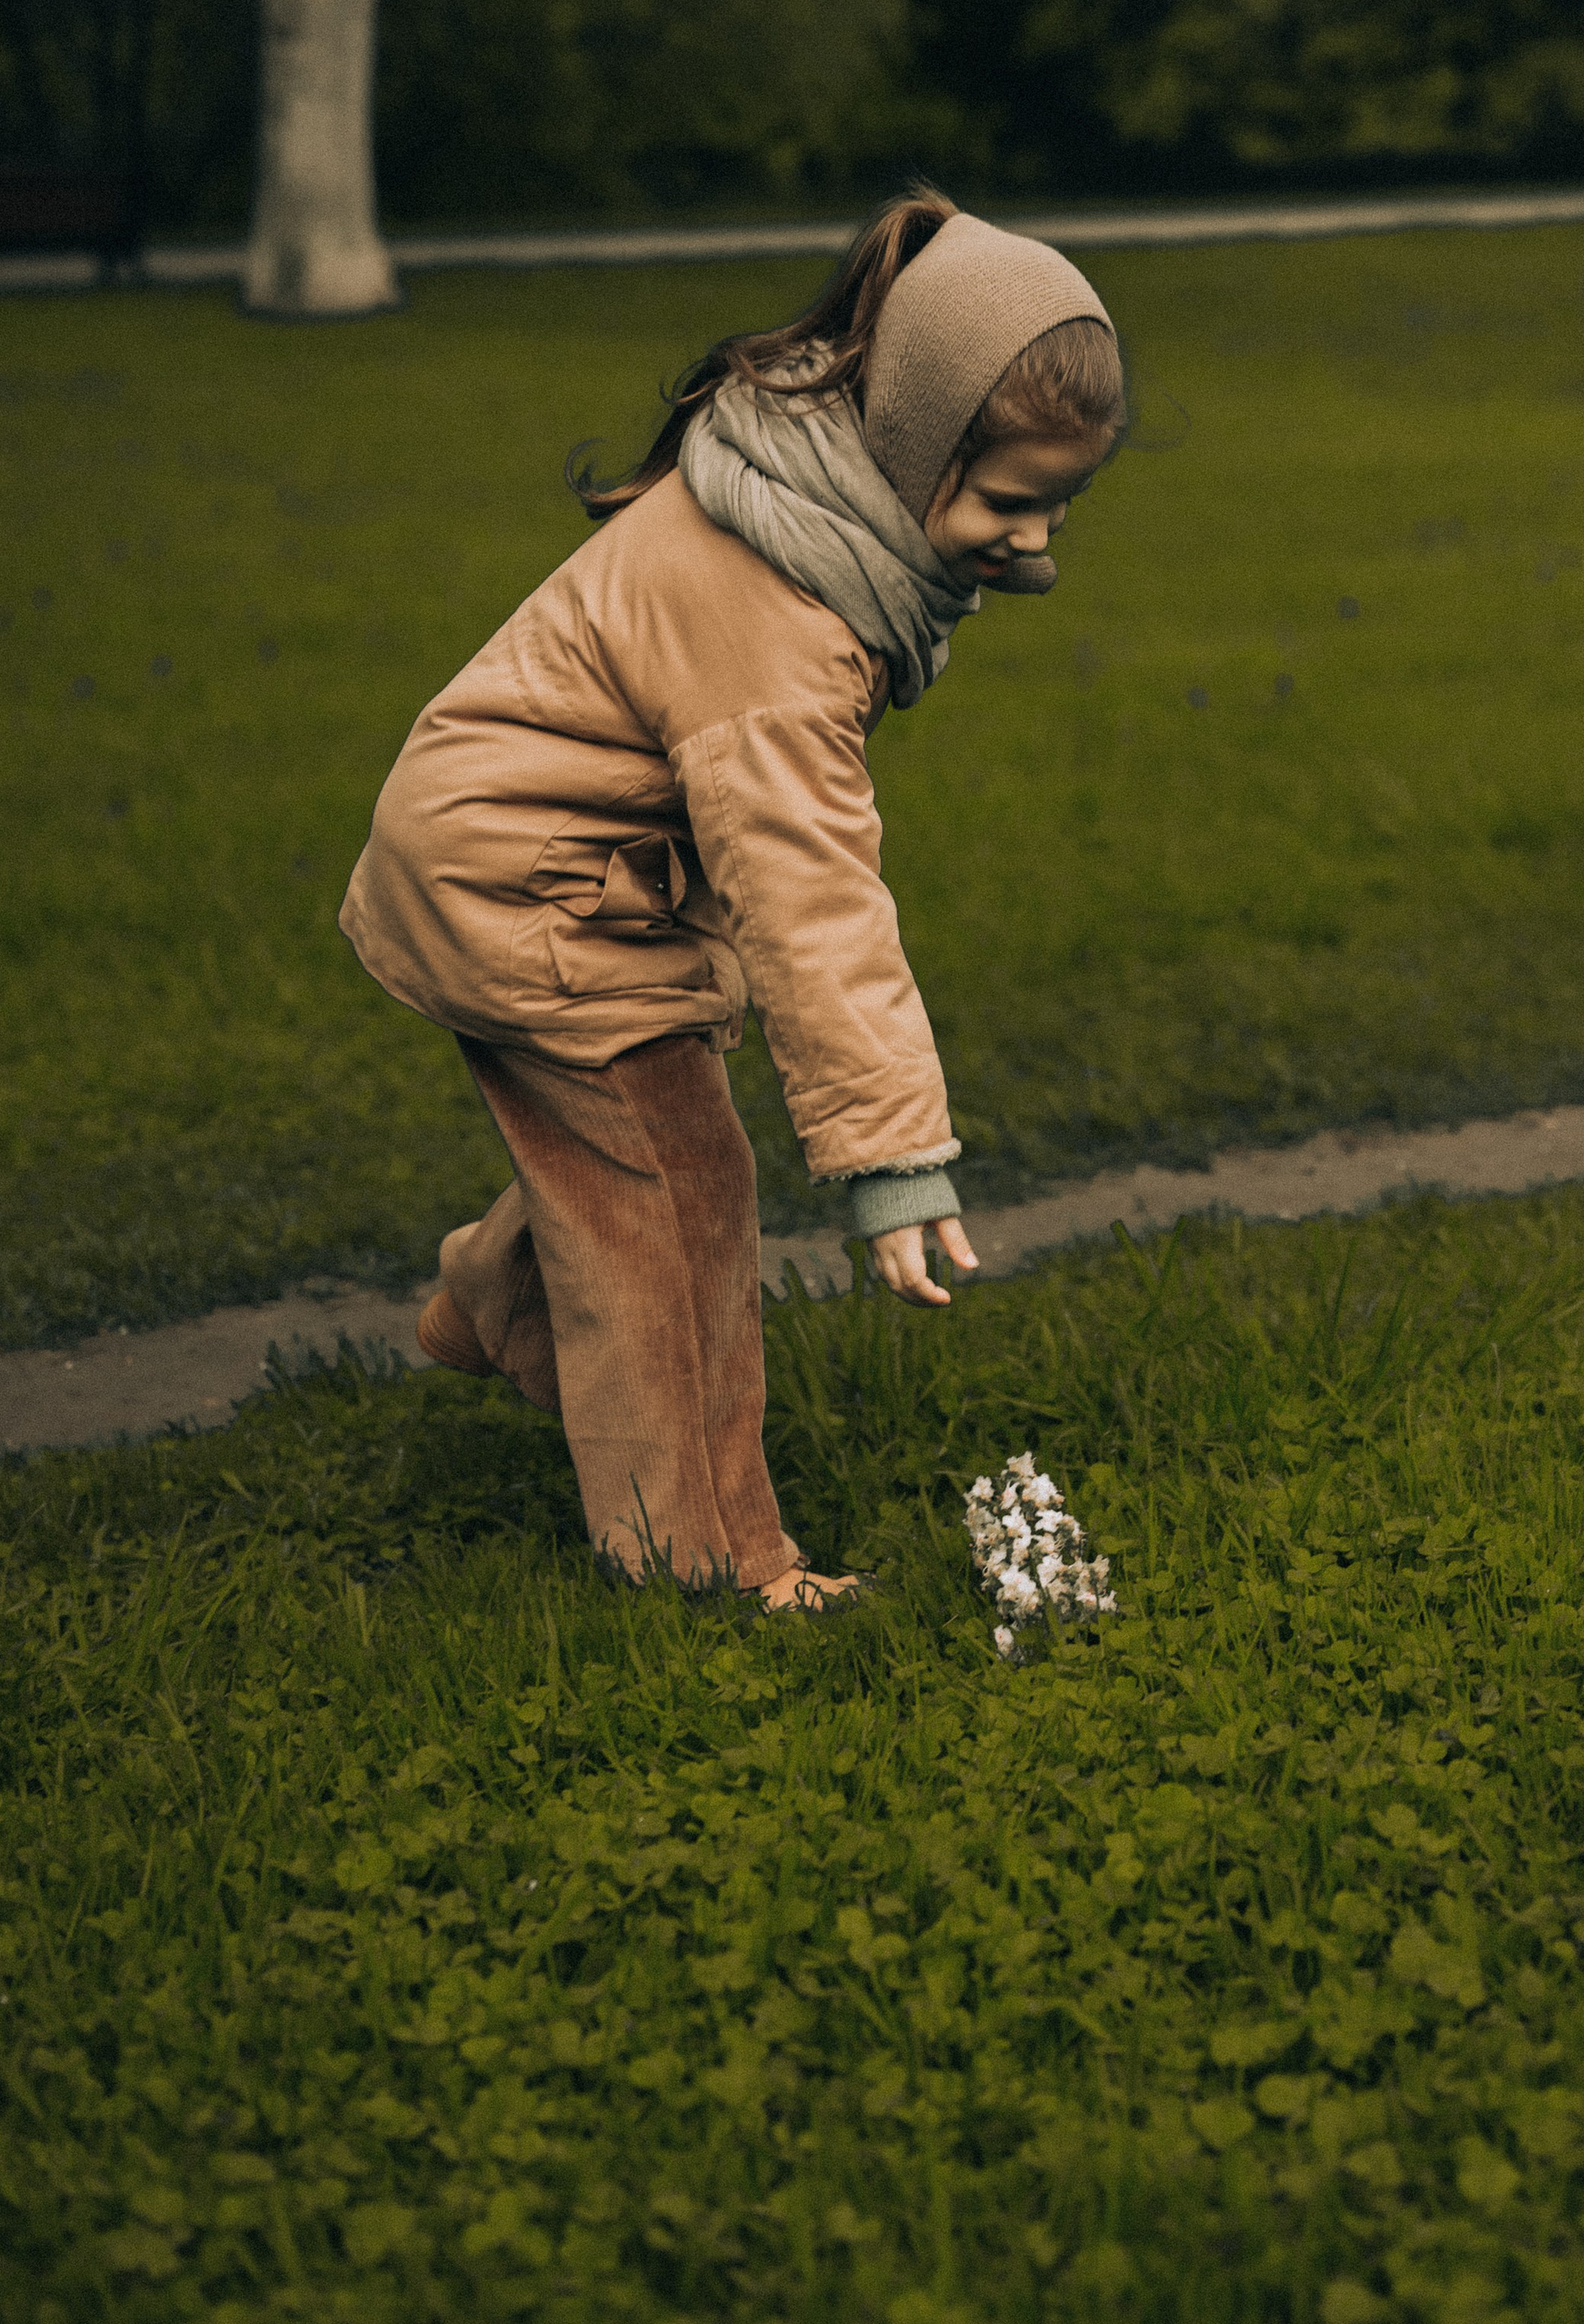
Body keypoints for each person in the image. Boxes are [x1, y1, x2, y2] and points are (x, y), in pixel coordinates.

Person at [338, 187, 1126, 1609]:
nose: (1037, 540)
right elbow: (813, 895)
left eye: (1061, 502)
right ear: (915, 444)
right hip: (533, 891)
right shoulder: (782, 621)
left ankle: (497, 1307)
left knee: (628, 1164)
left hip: (513, 859)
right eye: (1010, 502)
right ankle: (706, 1564)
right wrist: (893, 1157)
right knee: (684, 1205)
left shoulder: (799, 495)